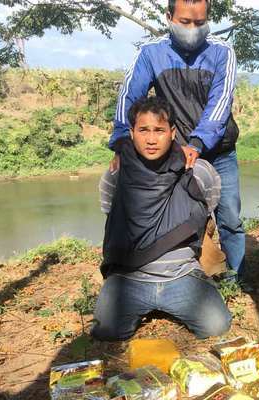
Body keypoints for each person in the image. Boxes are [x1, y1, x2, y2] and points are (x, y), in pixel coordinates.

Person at [109, 0, 245, 281]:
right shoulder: (150, 53)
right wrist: (123, 142)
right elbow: (129, 96)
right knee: (180, 216)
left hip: (218, 150)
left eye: (199, 23)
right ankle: (186, 275)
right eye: (185, 22)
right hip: (176, 155)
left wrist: (197, 143)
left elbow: (220, 105)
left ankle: (238, 278)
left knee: (230, 216)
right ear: (169, 17)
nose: (192, 30)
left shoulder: (222, 52)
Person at [91, 96, 231, 341]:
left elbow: (207, 208)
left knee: (217, 326)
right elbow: (111, 216)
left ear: (173, 133)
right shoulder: (115, 175)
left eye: (159, 130)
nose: (152, 139)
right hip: (128, 278)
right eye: (143, 130)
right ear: (131, 133)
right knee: (107, 331)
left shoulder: (197, 172)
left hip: (182, 275)